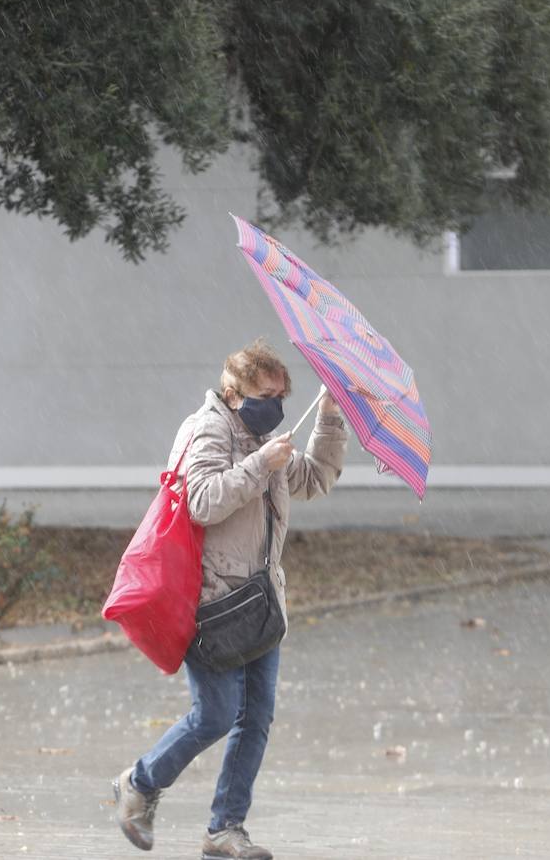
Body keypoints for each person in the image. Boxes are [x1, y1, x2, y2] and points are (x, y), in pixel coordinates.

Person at [113, 339, 348, 859]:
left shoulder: (263, 432)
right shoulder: (209, 428)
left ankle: (225, 828)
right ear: (234, 390)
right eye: (266, 393)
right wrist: (260, 464)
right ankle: (141, 782)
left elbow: (313, 479)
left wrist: (330, 418)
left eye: (283, 394)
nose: (277, 403)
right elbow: (202, 502)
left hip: (260, 602)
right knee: (216, 714)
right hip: (214, 602)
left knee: (255, 719)